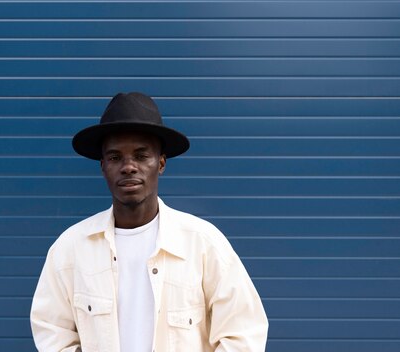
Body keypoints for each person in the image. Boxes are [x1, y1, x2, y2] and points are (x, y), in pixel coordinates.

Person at [30, 92, 268, 352]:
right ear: (102, 166)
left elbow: (244, 334)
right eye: (115, 157)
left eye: (142, 156)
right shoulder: (71, 248)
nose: (129, 167)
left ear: (161, 163)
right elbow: (52, 332)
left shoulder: (202, 243)